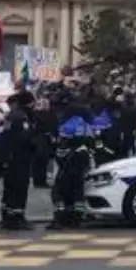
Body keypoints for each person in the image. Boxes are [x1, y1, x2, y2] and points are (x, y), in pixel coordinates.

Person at [49, 97, 93, 230]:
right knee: (78, 190)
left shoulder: (67, 125)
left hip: (69, 161)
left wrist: (59, 159)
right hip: (83, 160)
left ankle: (59, 217)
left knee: (58, 190)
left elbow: (62, 146)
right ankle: (77, 217)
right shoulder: (86, 125)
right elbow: (91, 144)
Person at [0, 93, 36, 230]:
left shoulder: (9, 116)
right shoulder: (21, 117)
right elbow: (26, 138)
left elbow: (2, 136)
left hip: (9, 158)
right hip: (19, 158)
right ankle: (17, 218)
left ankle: (7, 216)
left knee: (9, 189)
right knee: (19, 188)